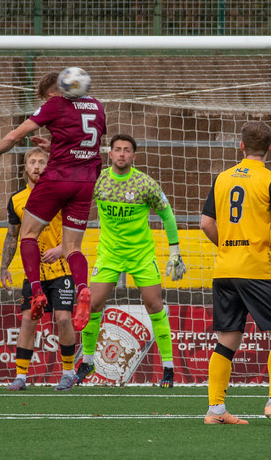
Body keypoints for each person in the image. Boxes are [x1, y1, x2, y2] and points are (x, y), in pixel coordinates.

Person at [199, 121, 271, 426]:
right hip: (256, 270)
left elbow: (206, 223)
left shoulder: (222, 178)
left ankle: (216, 410)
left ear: (241, 146)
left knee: (228, 339)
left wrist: (228, 246)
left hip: (224, 270)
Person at [0, 70, 106, 332]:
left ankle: (37, 292)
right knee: (73, 247)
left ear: (54, 92)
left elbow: (16, 134)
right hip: (85, 182)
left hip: (58, 179)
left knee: (27, 234)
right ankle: (83, 288)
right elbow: (85, 143)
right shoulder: (96, 105)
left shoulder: (55, 104)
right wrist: (54, 146)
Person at [75, 134, 187, 389]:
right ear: (110, 154)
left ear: (134, 156)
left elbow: (167, 215)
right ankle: (89, 361)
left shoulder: (144, 183)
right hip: (109, 254)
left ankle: (168, 368)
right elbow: (75, 203)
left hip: (141, 255)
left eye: (127, 150)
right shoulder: (99, 180)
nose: (122, 154)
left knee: (154, 305)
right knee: (93, 304)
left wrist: (174, 251)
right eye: (117, 149)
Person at [0, 147, 77, 391]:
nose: (36, 166)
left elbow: (76, 229)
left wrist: (62, 249)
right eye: (32, 162)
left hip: (61, 268)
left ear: (48, 166)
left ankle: (68, 372)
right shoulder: (16, 200)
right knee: (28, 319)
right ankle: (20, 376)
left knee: (63, 318)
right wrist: (4, 267)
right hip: (33, 274)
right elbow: (12, 236)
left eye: (41, 162)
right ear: (25, 168)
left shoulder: (61, 195)